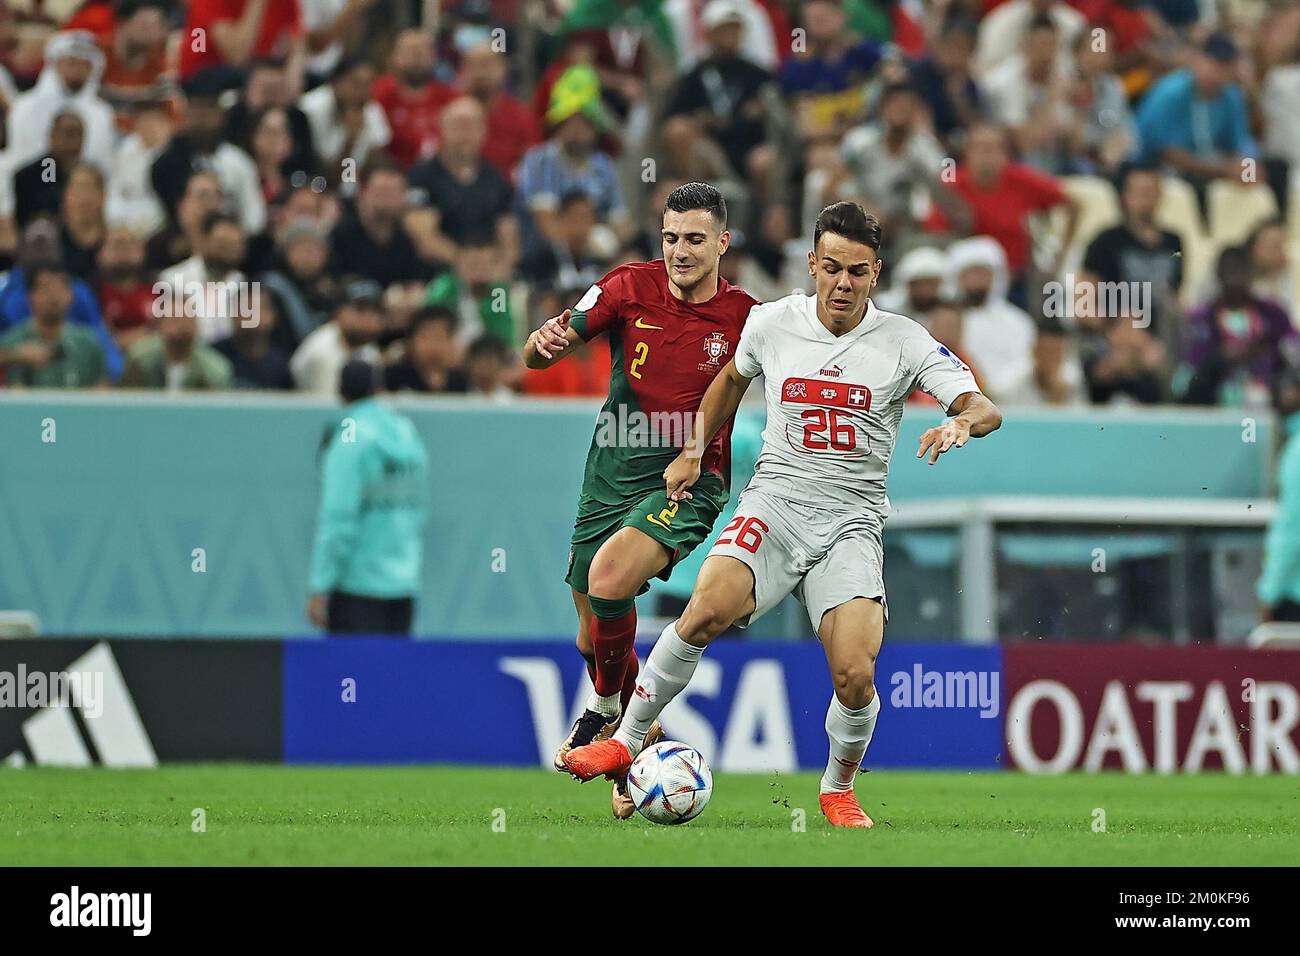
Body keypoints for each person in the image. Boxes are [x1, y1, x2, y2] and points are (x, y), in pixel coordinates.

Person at [563, 202, 1002, 827]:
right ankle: (627, 739)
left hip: (850, 523)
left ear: (875, 273)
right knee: (705, 608)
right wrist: (693, 450)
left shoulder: (904, 341)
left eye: (856, 271)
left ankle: (836, 787)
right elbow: (730, 382)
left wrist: (961, 420)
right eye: (831, 269)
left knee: (854, 674)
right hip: (774, 504)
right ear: (812, 265)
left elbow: (985, 407)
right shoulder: (773, 322)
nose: (842, 284)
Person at [524, 182, 757, 819]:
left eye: (696, 240)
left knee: (610, 576)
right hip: (611, 470)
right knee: (589, 631)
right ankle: (639, 740)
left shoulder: (748, 317)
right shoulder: (627, 286)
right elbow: (542, 353)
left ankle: (603, 717)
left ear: (722, 244)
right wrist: (542, 345)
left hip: (690, 480)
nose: (681, 251)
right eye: (672, 238)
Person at [307, 359, 430, 635]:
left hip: (357, 588)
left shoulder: (349, 440)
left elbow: (338, 518)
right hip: (404, 584)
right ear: (378, 390)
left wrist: (320, 585)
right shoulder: (408, 433)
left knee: (354, 676)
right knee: (393, 676)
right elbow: (418, 507)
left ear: (341, 392)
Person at [0, 263, 108, 388]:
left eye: (60, 289)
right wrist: (19, 356)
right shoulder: (12, 342)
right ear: (30, 296)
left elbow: (102, 387)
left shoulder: (89, 341)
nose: (54, 296)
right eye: (46, 289)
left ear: (71, 295)